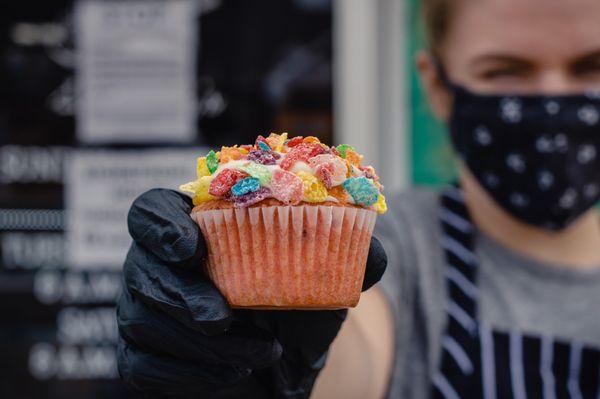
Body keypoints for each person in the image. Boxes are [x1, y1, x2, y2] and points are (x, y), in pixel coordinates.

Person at [116, 0, 600, 397]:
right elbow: (352, 353)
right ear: (437, 86)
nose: (552, 97)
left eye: (592, 66)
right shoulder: (393, 244)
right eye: (504, 71)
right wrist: (266, 353)